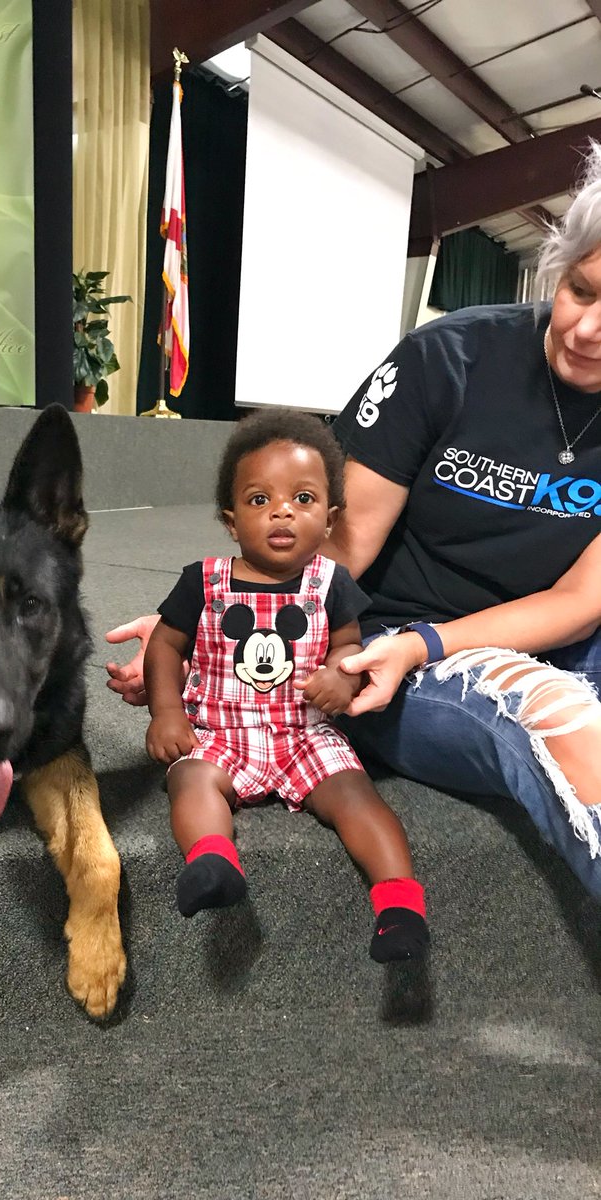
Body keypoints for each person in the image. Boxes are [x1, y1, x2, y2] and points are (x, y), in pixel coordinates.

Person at [107, 141, 601, 901]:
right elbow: (346, 542)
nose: (587, 330)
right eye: (581, 290)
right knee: (560, 718)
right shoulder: (452, 357)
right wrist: (217, 617)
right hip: (389, 643)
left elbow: (578, 602)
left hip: (551, 628)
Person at [143, 409, 430, 962]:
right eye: (259, 500)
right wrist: (167, 713)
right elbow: (164, 645)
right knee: (191, 779)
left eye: (303, 499)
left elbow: (348, 643)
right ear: (230, 520)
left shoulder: (332, 582)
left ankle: (399, 905)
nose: (281, 512)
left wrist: (339, 678)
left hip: (304, 732)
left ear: (329, 518)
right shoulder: (202, 580)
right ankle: (212, 859)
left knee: (357, 796)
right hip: (222, 731)